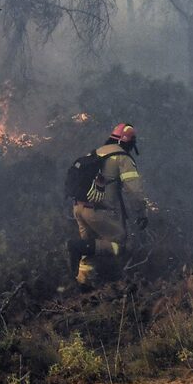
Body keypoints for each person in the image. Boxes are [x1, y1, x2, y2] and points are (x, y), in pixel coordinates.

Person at [68, 123, 149, 288]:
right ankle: (74, 246)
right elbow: (134, 191)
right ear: (129, 142)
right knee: (119, 243)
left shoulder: (97, 152)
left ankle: (83, 286)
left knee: (89, 250)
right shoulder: (123, 158)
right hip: (96, 211)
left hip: (78, 208)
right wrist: (141, 213)